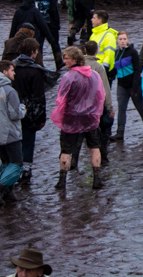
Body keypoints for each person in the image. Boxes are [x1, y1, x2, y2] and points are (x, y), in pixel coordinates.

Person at [52, 47, 105, 191]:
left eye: (67, 58)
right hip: (90, 117)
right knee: (94, 146)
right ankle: (97, 179)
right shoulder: (94, 75)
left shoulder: (68, 77)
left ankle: (62, 181)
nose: (65, 61)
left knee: (66, 149)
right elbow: (100, 95)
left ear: (75, 59)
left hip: (71, 117)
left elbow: (60, 99)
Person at [0, 59, 26, 205]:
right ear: (5, 72)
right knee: (17, 164)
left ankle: (7, 193)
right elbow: (15, 114)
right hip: (10, 133)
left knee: (5, 163)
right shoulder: (10, 91)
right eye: (12, 70)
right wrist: (23, 109)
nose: (14, 73)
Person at [12, 43, 48, 182]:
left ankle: (15, 169)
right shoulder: (36, 71)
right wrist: (42, 117)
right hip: (31, 112)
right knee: (28, 142)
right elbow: (40, 96)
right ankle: (26, 170)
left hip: (13, 109)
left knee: (16, 141)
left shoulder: (13, 67)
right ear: (32, 52)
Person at [111, 31, 143, 141]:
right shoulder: (116, 53)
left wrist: (135, 87)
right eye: (120, 39)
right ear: (117, 41)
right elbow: (116, 69)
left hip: (134, 85)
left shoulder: (132, 52)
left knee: (139, 107)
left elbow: (137, 69)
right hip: (121, 85)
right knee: (121, 109)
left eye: (124, 39)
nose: (123, 41)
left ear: (127, 40)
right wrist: (108, 75)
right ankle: (120, 133)